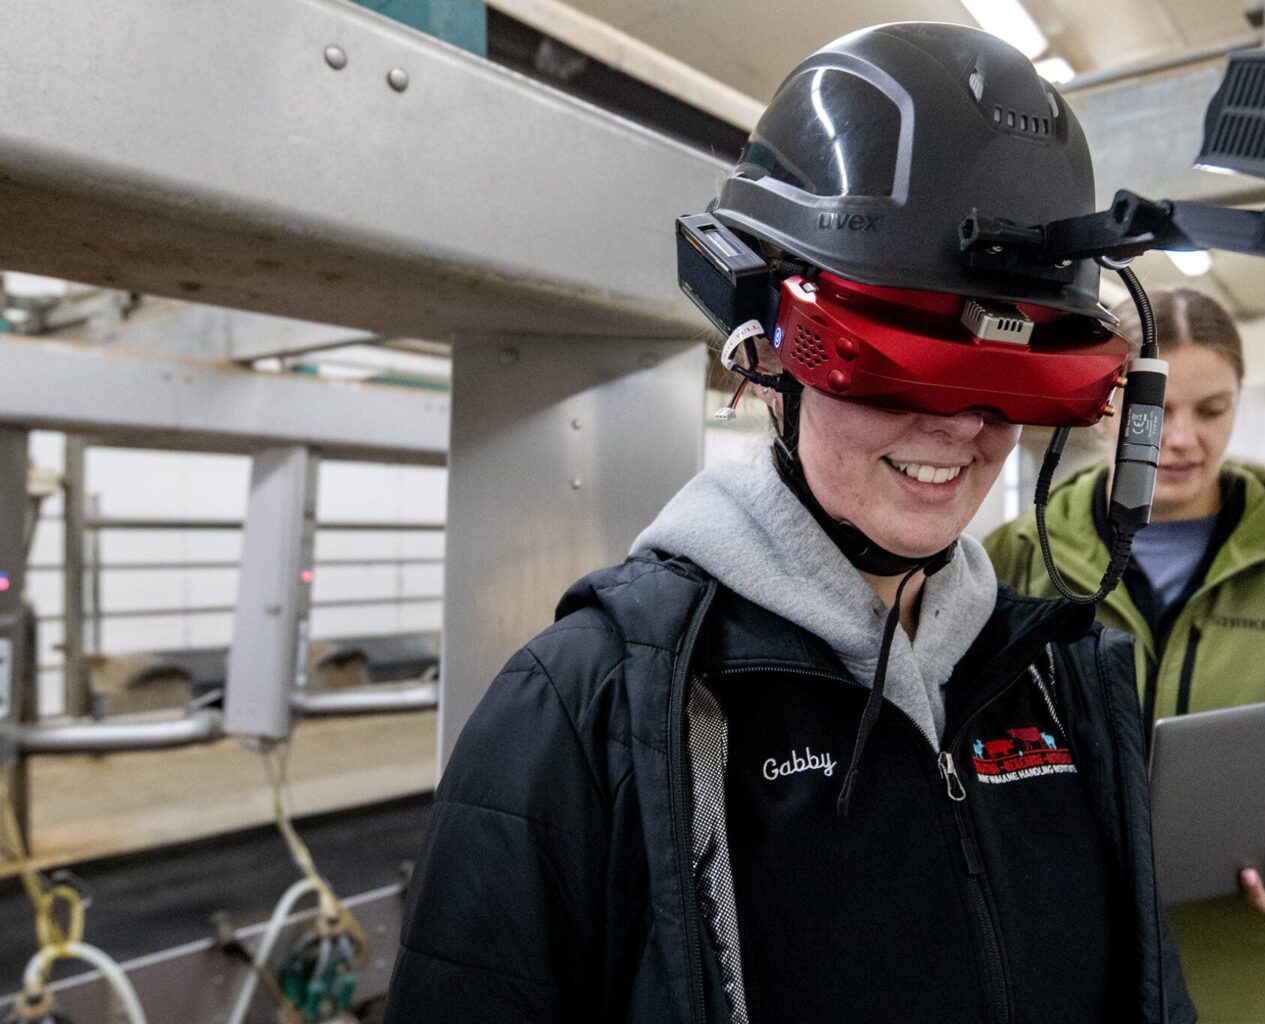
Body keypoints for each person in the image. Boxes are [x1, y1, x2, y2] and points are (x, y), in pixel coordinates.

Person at [386, 23, 1194, 1024]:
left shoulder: (1063, 679)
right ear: (763, 349)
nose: (956, 431)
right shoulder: (594, 706)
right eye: (894, 365)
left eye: (1002, 384)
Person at [986, 286, 1265, 1024]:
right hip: (1064, 976)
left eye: (1211, 411)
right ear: (1102, 401)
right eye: (1153, 409)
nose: (1180, 439)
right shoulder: (1017, 561)